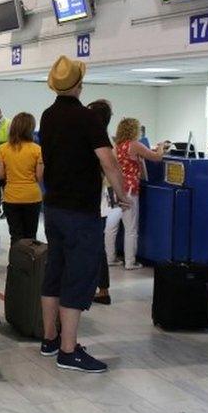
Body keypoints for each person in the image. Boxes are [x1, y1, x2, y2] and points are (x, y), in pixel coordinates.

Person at [38, 56, 128, 373]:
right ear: (79, 84)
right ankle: (68, 349)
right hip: (80, 211)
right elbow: (108, 161)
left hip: (53, 208)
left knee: (55, 271)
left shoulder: (47, 117)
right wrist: (122, 194)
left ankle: (49, 340)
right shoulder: (88, 118)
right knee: (78, 276)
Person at [109, 118, 171, 271]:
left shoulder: (117, 146)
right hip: (130, 190)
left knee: (111, 226)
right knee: (130, 228)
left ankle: (110, 258)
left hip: (116, 187)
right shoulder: (135, 145)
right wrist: (162, 146)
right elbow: (157, 157)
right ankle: (130, 262)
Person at [0, 112, 42, 244]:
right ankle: (31, 263)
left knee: (15, 235)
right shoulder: (37, 150)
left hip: (11, 198)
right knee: (31, 235)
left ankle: (15, 264)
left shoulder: (3, 149)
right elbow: (39, 177)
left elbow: (0, 175)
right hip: (32, 197)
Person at [88, 100, 116, 305]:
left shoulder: (99, 143)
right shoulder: (104, 141)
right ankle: (100, 287)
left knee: (95, 247)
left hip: (96, 202)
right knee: (95, 246)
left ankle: (102, 288)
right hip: (100, 202)